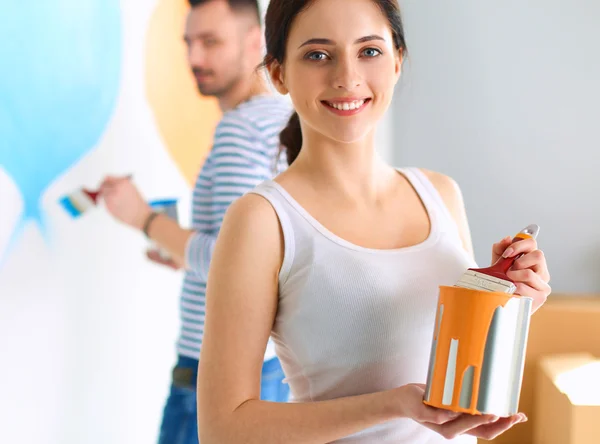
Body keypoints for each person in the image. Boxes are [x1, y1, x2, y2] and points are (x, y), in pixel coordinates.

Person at [196, 0, 552, 442]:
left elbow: (456, 391)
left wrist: (511, 305)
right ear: (278, 73)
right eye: (318, 54)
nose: (347, 77)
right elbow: (222, 428)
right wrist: (390, 404)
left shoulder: (440, 193)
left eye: (369, 51)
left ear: (397, 61)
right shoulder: (262, 220)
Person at [100, 0, 292, 443]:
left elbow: (233, 260)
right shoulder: (281, 122)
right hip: (266, 367)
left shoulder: (239, 132)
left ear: (253, 43)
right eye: (188, 42)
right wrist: (184, 252)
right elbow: (260, 257)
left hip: (214, 375)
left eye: (211, 42)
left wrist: (143, 217)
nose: (194, 58)